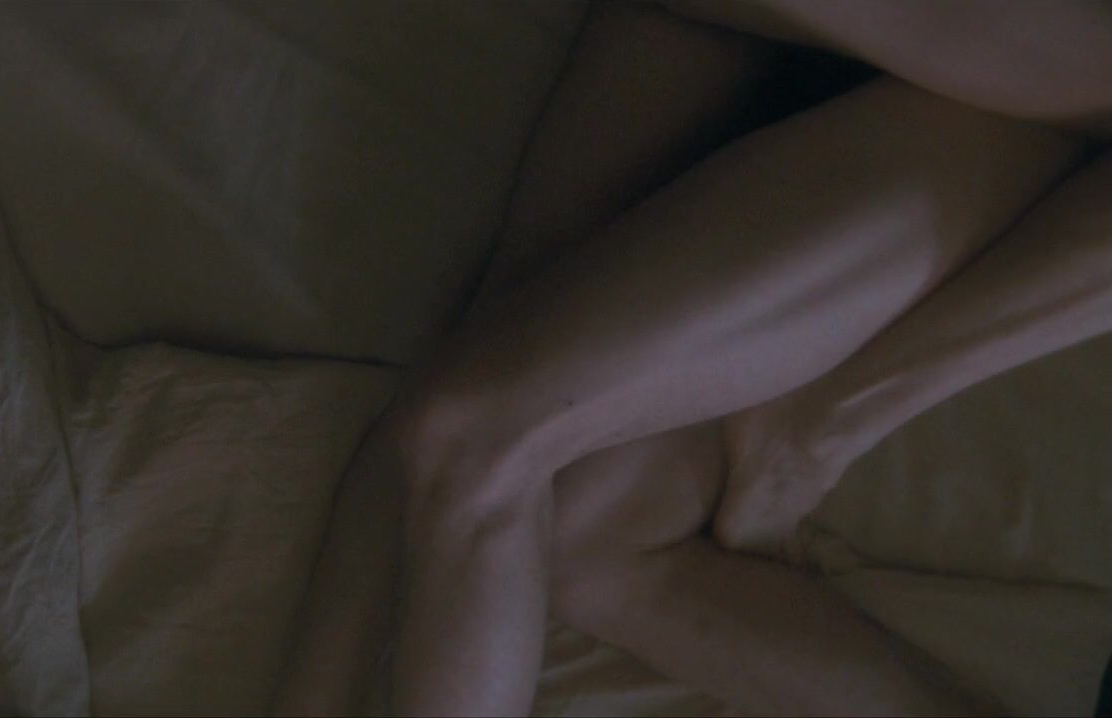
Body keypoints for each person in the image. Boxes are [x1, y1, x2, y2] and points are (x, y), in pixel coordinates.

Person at [274, 1, 1112, 715]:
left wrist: (847, 411)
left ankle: (826, 421)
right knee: (570, 526)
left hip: (1001, 107)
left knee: (476, 441)